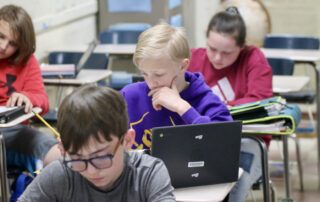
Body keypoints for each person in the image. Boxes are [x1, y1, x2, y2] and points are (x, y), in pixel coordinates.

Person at [19, 84, 175, 201]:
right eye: (78, 159)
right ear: (63, 149)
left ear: (127, 140)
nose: (92, 171)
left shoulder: (148, 173)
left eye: (101, 158)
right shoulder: (60, 173)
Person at [188, 7, 273, 202]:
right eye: (212, 49)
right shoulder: (194, 58)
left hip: (246, 138)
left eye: (227, 53)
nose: (218, 58)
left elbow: (259, 100)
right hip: (200, 137)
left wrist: (212, 109)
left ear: (242, 46)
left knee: (235, 184)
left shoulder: (253, 58)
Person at [120, 23, 232, 150]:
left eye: (158, 74)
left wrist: (183, 108)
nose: (151, 83)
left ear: (182, 66)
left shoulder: (207, 102)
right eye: (144, 74)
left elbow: (225, 145)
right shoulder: (129, 95)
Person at [0, 5, 60, 172]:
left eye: (12, 43)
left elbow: (43, 101)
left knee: (57, 153)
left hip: (14, 135)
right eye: (1, 37)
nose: (4, 46)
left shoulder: (27, 62)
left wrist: (28, 98)